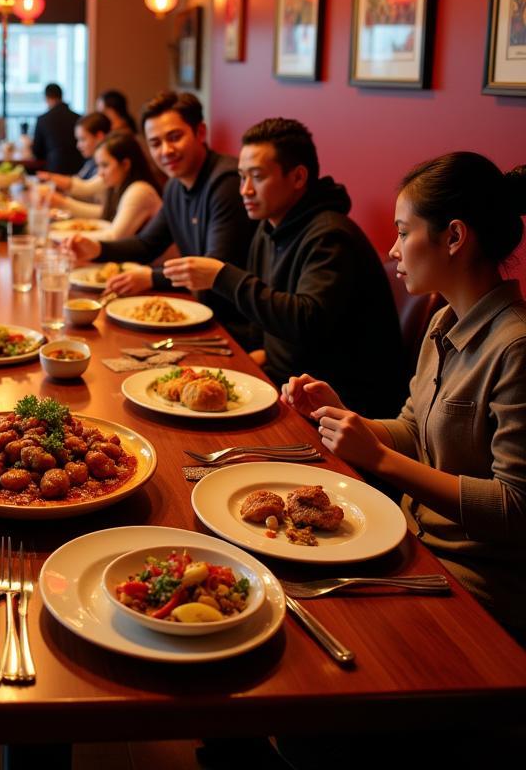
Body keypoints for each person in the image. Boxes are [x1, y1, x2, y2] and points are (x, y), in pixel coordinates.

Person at [281, 152, 526, 637]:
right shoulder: (444, 320)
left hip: (477, 582)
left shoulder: (515, 347)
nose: (392, 249)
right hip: (413, 539)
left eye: (403, 231)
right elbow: (415, 428)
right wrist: (343, 415)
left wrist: (379, 460)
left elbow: (514, 508)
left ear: (454, 237)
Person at [168, 117, 405, 414]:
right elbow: (263, 324)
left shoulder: (331, 236)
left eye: (257, 177)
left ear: (298, 178)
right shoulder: (268, 227)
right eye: (242, 177)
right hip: (282, 384)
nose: (245, 190)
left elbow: (306, 321)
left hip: (338, 406)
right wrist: (247, 361)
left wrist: (222, 275)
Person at [65, 92, 252, 314]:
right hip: (202, 309)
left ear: (200, 132)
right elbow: (147, 244)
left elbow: (214, 268)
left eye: (174, 137)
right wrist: (97, 248)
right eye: (155, 143)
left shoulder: (226, 183)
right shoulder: (175, 186)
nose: (165, 151)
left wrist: (152, 278)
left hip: (234, 322)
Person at [52, 132, 162, 239]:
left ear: (125, 164)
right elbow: (104, 214)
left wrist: (57, 235)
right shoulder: (118, 186)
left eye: (105, 165)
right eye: (98, 166)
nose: (100, 173)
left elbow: (114, 237)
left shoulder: (139, 190)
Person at [37, 111, 111, 203]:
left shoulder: (106, 165)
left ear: (99, 137)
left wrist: (50, 178)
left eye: (83, 139)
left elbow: (85, 188)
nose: (78, 145)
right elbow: (78, 182)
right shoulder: (91, 162)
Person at [32, 83, 81, 176]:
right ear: (61, 96)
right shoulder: (78, 118)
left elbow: (37, 151)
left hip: (54, 170)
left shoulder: (43, 119)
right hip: (78, 168)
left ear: (46, 98)